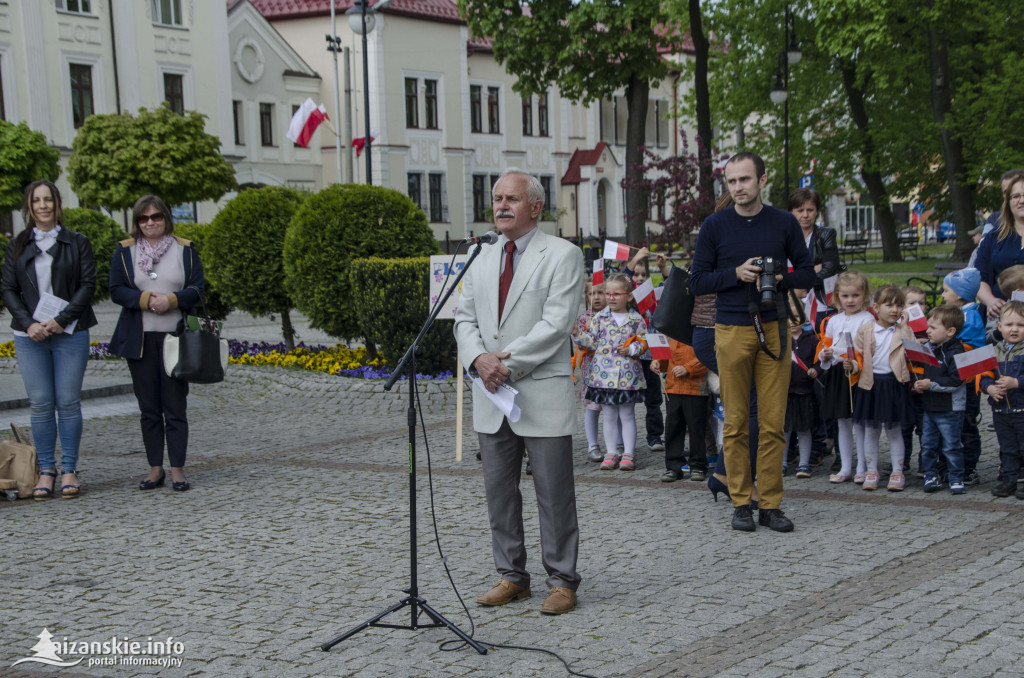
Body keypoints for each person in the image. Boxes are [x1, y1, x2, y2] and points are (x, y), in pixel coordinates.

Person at [453, 168, 584, 615]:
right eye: (496, 198)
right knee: (498, 490)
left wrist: (502, 365)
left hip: (537, 388)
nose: (501, 206)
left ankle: (563, 580)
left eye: (510, 198)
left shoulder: (563, 255)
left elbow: (557, 324)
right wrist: (477, 359)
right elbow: (463, 318)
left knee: (553, 491)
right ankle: (512, 576)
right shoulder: (482, 253)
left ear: (535, 206)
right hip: (491, 392)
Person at [689, 151, 815, 533]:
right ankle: (741, 501)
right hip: (730, 329)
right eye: (732, 181)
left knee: (774, 422)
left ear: (762, 180)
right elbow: (696, 282)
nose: (738, 188)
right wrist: (736, 274)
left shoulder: (783, 223)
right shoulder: (714, 226)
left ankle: (771, 504)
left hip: (774, 328)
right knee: (737, 422)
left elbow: (808, 274)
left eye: (745, 179)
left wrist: (779, 280)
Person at [1, 181, 96, 500]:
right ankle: (46, 471)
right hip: (29, 336)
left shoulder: (77, 242)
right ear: (28, 206)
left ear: (57, 204)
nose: (43, 205)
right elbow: (8, 289)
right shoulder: (16, 244)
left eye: (48, 200)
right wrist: (29, 324)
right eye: (36, 200)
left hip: (69, 333)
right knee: (41, 404)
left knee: (68, 403)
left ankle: (69, 468)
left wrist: (60, 320)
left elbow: (87, 284)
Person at [109, 195, 204, 492]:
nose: (150, 223)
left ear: (166, 218)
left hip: (175, 339)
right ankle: (154, 469)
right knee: (149, 408)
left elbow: (198, 289)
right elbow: (116, 290)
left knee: (175, 407)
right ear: (136, 222)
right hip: (139, 340)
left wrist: (172, 300)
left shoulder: (184, 249)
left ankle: (177, 469)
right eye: (143, 218)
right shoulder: (125, 251)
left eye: (156, 217)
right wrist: (146, 299)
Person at [576, 274, 648, 471]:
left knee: (627, 415)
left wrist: (633, 349)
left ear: (629, 296)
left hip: (627, 377)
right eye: (609, 293)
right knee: (608, 416)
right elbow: (591, 342)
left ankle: (628, 454)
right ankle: (611, 453)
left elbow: (644, 342)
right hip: (603, 376)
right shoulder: (599, 318)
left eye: (616, 294)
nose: (611, 297)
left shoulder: (635, 319)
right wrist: (577, 335)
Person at [849, 285, 916, 491]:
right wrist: (851, 366)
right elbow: (857, 357)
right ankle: (871, 470)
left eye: (899, 305)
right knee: (871, 429)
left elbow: (913, 353)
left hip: (894, 383)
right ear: (876, 308)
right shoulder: (866, 330)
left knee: (895, 430)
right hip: (871, 384)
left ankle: (897, 471)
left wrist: (905, 328)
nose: (894, 309)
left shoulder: (904, 330)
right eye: (889, 305)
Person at [816, 271, 875, 483]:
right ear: (837, 297)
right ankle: (845, 467)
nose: (850, 300)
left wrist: (855, 364)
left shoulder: (867, 319)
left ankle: (862, 467)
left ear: (864, 295)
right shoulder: (833, 320)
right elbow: (826, 345)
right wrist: (826, 355)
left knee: (859, 422)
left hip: (857, 375)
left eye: (855, 295)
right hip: (838, 375)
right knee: (842, 422)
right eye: (846, 296)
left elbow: (867, 350)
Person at [913, 305, 967, 494]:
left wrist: (930, 384)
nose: (927, 331)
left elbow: (956, 381)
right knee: (928, 445)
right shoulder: (929, 348)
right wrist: (918, 384)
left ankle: (956, 476)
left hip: (950, 409)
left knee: (952, 446)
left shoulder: (957, 352)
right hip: (929, 407)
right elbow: (920, 371)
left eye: (933, 328)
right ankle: (930, 473)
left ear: (950, 331)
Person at [941, 268, 984, 484]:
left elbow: (969, 348)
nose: (942, 295)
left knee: (966, 425)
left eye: (945, 290)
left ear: (958, 295)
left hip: (967, 381)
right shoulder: (966, 314)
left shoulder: (970, 317)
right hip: (960, 378)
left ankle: (968, 467)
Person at [980, 301, 1024, 499]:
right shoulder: (992, 350)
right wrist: (988, 387)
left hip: (1022, 410)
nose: (1014, 329)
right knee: (1007, 448)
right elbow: (983, 375)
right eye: (1009, 325)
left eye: (1021, 325)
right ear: (999, 326)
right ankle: (1009, 480)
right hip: (1000, 411)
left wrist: (1017, 382)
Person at [624, 249, 665, 452]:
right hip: (631, 357)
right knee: (626, 401)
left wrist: (663, 267)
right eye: (636, 274)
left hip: (650, 357)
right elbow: (623, 277)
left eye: (643, 275)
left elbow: (670, 287)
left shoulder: (652, 297)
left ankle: (655, 436)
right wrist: (635, 260)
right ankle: (623, 440)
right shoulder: (628, 299)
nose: (639, 278)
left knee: (654, 399)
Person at [651, 337, 709, 482]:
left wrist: (688, 368)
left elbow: (708, 356)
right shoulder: (671, 334)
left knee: (696, 428)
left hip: (695, 388)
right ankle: (673, 466)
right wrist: (657, 362)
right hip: (673, 388)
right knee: (673, 427)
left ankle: (698, 465)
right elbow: (665, 359)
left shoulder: (699, 333)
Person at [975, 170, 1024, 320]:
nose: (1021, 200)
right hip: (1000, 318)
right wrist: (990, 301)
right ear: (1008, 202)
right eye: (1015, 196)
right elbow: (978, 277)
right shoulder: (994, 238)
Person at [788, 188, 841, 323]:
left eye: (810, 210)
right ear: (791, 212)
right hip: (791, 305)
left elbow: (830, 268)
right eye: (800, 210)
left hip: (821, 304)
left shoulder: (825, 235)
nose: (805, 215)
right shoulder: (784, 238)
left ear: (816, 211)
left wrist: (801, 282)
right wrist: (812, 270)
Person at [786, 293, 821, 479]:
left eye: (797, 318)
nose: (793, 322)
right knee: (784, 430)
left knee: (804, 429)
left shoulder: (812, 339)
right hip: (784, 392)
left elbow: (819, 361)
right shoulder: (780, 339)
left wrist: (816, 370)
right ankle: (781, 463)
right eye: (789, 318)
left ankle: (804, 463)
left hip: (805, 391)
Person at [574, 281, 607, 462]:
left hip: (611, 368)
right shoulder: (583, 318)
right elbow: (581, 340)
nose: (596, 297)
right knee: (592, 408)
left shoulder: (614, 316)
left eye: (600, 293)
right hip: (592, 369)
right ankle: (592, 445)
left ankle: (617, 443)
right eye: (592, 294)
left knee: (613, 408)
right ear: (586, 297)